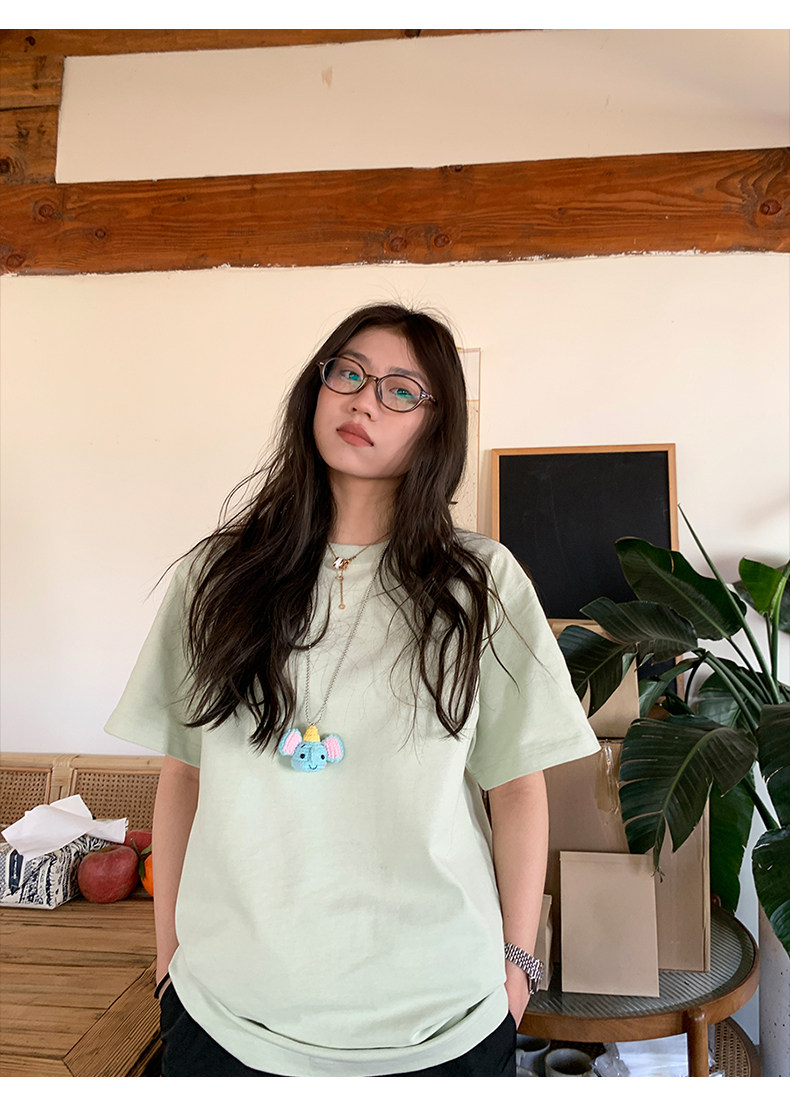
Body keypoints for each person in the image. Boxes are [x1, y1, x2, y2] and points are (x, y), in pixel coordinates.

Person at [105, 302, 599, 1077]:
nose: (365, 400)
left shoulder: (482, 584)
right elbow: (184, 775)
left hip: (441, 1020)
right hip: (228, 1016)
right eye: (349, 373)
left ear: (436, 428)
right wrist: (167, 957)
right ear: (317, 388)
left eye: (401, 390)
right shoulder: (218, 576)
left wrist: (516, 967)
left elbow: (516, 788)